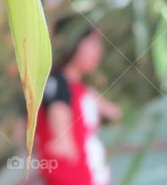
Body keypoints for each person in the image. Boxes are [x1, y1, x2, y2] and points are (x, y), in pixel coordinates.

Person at [35, 18, 122, 185]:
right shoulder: (58, 86)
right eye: (93, 43)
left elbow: (115, 113)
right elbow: (62, 148)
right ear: (74, 44)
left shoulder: (77, 88)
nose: (99, 50)